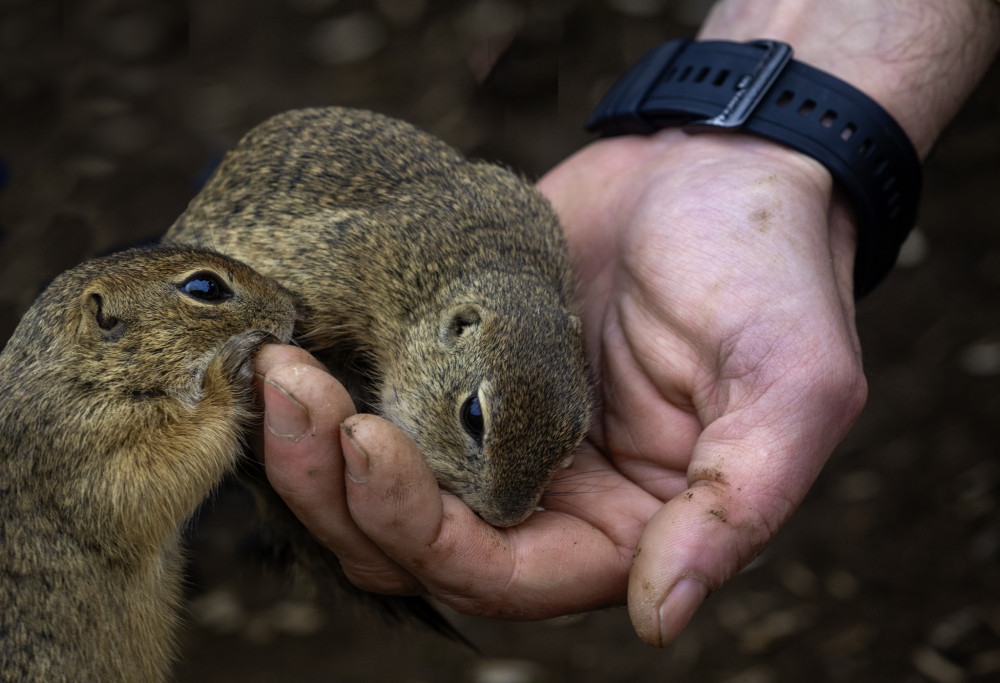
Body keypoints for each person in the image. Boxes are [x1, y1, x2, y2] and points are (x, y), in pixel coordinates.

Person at [253, 0, 1000, 647]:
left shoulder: (534, 252)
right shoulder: (365, 269)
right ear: (458, 330)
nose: (508, 511)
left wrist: (773, 146)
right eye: (472, 417)